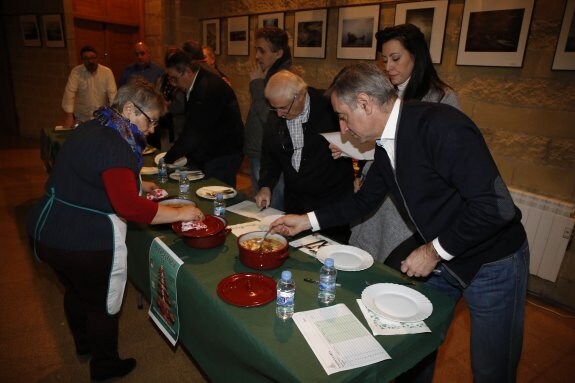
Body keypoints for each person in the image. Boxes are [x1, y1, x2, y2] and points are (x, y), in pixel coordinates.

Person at [271, 63, 529, 383]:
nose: (343, 128)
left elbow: (496, 208)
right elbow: (363, 201)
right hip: (445, 253)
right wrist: (305, 221)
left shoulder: (440, 126)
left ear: (364, 102)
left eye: (343, 116)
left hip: (493, 260)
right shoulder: (383, 144)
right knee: (416, 343)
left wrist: (433, 251)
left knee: (492, 369)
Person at [27, 79, 205, 381]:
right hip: (82, 241)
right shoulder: (117, 145)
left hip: (47, 230)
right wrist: (180, 211)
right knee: (100, 305)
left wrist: (137, 183)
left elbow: (94, 174)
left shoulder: (93, 126)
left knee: (74, 289)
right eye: (150, 121)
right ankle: (105, 365)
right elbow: (130, 208)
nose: (151, 131)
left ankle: (83, 344)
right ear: (128, 109)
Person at [345, 24, 461, 265]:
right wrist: (364, 169)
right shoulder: (384, 94)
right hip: (380, 190)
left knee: (396, 265)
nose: (388, 67)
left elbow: (439, 159)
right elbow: (382, 145)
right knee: (367, 258)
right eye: (384, 59)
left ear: (416, 56)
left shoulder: (442, 98)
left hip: (410, 200)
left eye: (396, 58)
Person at [257, 70, 354, 243]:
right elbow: (269, 154)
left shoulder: (329, 106)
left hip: (330, 203)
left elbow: (358, 140)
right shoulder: (276, 115)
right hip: (296, 202)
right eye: (274, 108)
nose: (279, 114)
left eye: (283, 107)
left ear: (301, 95)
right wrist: (266, 185)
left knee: (330, 252)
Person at [163, 48, 244, 188]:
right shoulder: (197, 82)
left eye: (175, 79)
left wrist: (167, 159)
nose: (173, 84)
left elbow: (194, 132)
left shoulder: (207, 88)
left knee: (218, 193)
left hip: (224, 153)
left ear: (187, 72)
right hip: (213, 149)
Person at [245, 27, 292, 207]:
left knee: (270, 204)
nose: (257, 56)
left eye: (262, 51)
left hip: (268, 154)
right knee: (262, 200)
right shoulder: (269, 74)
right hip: (260, 151)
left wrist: (256, 84)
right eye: (256, 49)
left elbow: (269, 117)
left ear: (278, 53)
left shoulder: (282, 79)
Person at [118, 41, 165, 148]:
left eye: (142, 53)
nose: (139, 57)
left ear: (148, 53)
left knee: (154, 145)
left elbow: (162, 94)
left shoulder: (158, 71)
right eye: (136, 54)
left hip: (151, 116)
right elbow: (121, 91)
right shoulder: (128, 71)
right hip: (134, 117)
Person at [61, 45, 117, 129]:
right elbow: (70, 93)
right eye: (86, 59)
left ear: (97, 58)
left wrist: (115, 115)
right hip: (82, 118)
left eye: (93, 58)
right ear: (82, 60)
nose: (90, 61)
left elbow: (113, 95)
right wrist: (69, 115)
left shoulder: (107, 72)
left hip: (101, 118)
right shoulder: (76, 72)